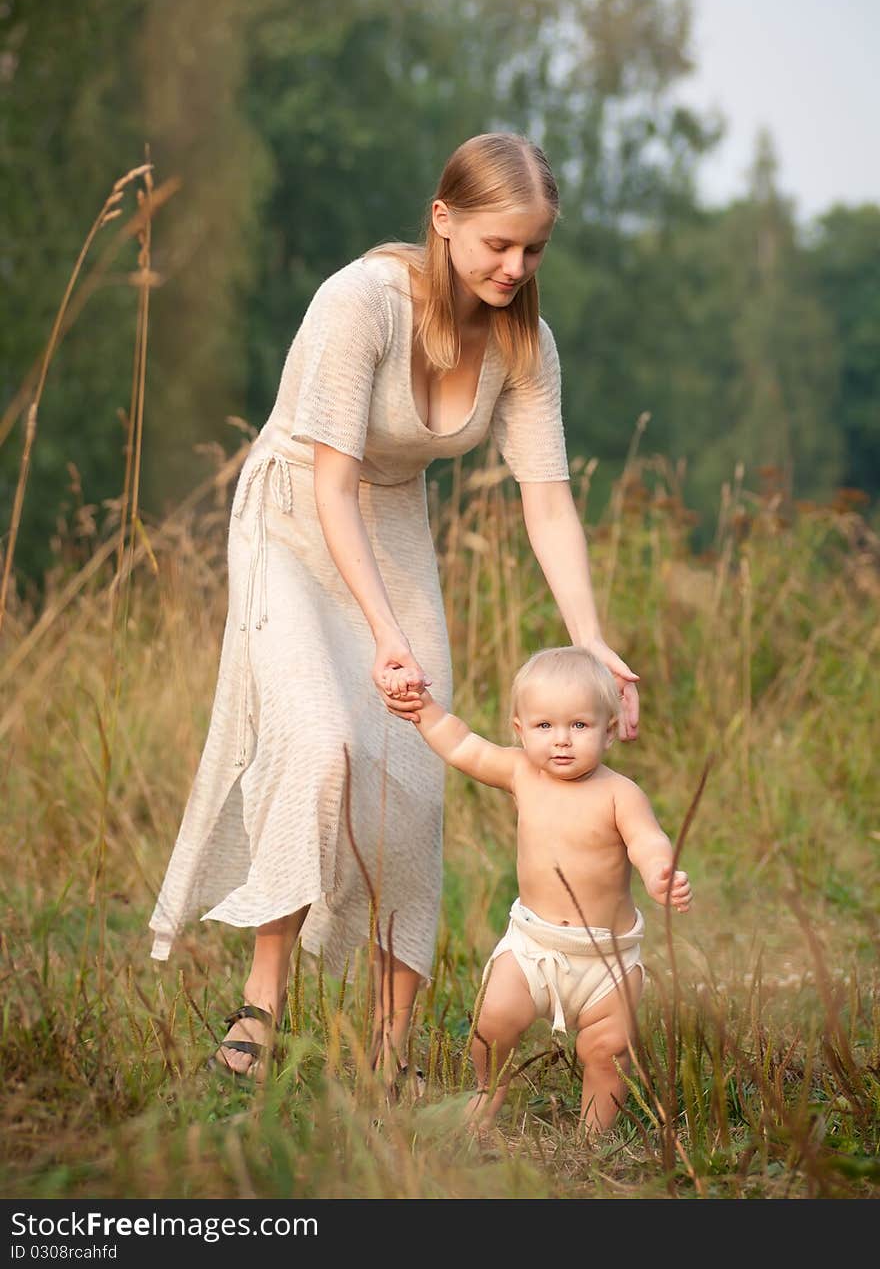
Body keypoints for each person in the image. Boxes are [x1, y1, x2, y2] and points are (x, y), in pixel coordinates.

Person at [148, 132, 640, 1086]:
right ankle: (262, 1001)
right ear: (443, 220)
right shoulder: (358, 303)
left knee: (413, 774)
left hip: (395, 526)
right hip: (295, 518)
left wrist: (591, 642)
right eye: (499, 244)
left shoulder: (525, 343)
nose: (515, 267)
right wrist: (384, 636)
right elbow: (332, 488)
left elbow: (546, 496)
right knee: (324, 739)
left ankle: (389, 1046)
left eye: (534, 248)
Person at [384, 645, 691, 1133]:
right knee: (491, 1021)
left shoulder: (620, 793)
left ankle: (594, 1136)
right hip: (533, 943)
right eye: (545, 726)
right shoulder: (522, 772)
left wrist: (660, 872)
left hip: (607, 959)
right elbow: (463, 745)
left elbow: (647, 840)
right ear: (520, 730)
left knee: (606, 1051)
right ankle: (489, 1092)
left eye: (580, 726)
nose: (562, 741)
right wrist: (423, 710)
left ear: (609, 730)